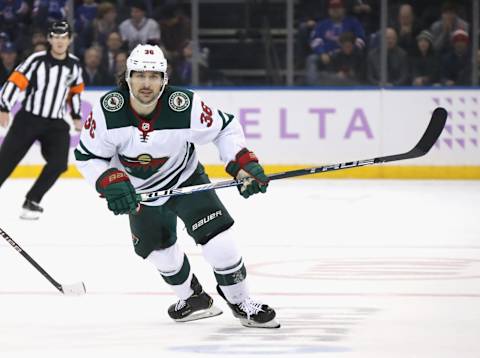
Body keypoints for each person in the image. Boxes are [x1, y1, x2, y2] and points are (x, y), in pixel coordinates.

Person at [74, 44, 280, 329]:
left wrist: (241, 163)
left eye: (154, 76)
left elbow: (225, 129)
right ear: (127, 77)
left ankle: (241, 301)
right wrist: (110, 181)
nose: (147, 83)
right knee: (159, 253)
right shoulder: (108, 111)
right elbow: (88, 156)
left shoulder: (183, 105)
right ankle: (193, 298)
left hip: (185, 180)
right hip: (140, 193)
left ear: (164, 79)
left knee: (221, 244)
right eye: (140, 75)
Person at [0, 21, 84, 219]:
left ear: (70, 39)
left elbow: (76, 91)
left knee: (59, 163)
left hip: (55, 123)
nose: (60, 41)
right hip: (28, 119)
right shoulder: (36, 60)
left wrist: (76, 115)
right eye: (56, 37)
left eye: (64, 37)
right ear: (49, 39)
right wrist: (4, 107)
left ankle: (32, 201)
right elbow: (16, 81)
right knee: (5, 163)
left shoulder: (74, 64)